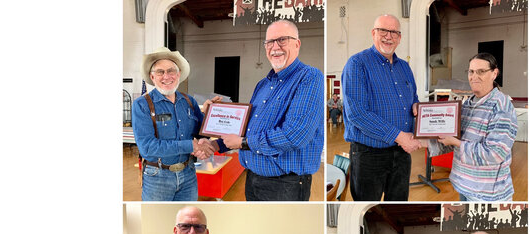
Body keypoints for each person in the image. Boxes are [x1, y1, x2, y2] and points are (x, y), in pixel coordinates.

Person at [217, 20, 324, 201]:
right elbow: (247, 128)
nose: (275, 47)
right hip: (252, 179)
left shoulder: (310, 77)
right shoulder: (263, 84)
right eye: (269, 42)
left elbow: (295, 135)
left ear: (297, 44)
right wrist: (216, 144)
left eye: (282, 40)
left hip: (285, 186)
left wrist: (243, 143)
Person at [341, 14, 422, 201]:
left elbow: (413, 97)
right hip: (369, 155)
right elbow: (357, 114)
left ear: (400, 37)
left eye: (394, 32)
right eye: (383, 31)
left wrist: (417, 106)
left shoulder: (404, 67)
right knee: (368, 208)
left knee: (398, 206)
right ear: (373, 33)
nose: (388, 36)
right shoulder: (357, 64)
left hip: (401, 154)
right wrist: (399, 136)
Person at [426, 53, 519, 201]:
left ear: (494, 73)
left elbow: (494, 154)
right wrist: (422, 140)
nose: (474, 76)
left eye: (481, 71)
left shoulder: (502, 107)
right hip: (463, 186)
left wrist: (455, 142)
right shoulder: (466, 105)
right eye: (471, 71)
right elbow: (453, 140)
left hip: (487, 194)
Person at [132, 47, 220, 201]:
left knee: (186, 217)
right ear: (152, 77)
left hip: (188, 175)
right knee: (158, 221)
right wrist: (191, 146)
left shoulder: (189, 102)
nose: (166, 76)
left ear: (179, 75)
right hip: (157, 177)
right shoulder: (142, 105)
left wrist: (209, 115)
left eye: (171, 71)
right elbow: (147, 147)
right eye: (160, 72)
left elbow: (200, 133)